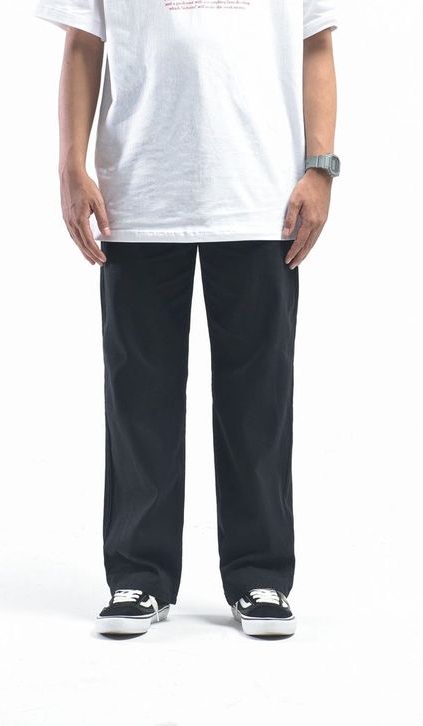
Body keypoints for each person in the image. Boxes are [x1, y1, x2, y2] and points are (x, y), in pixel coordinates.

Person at [34, 0, 340, 638]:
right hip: (138, 195)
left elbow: (316, 44)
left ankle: (260, 575)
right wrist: (69, 167)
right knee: (138, 398)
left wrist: (321, 167)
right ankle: (139, 576)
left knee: (259, 400)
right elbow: (83, 44)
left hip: (261, 197)